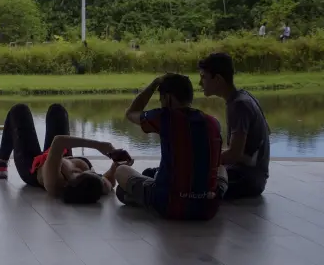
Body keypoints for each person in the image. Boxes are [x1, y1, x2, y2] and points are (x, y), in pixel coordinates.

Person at [114, 73, 227, 221]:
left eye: (161, 99)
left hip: (169, 204)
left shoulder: (164, 117)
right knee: (221, 168)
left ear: (167, 98)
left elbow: (131, 113)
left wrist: (154, 84)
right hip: (207, 208)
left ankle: (144, 198)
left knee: (122, 172)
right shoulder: (213, 122)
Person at [0, 103, 132, 204]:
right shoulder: (97, 186)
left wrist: (99, 145)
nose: (96, 173)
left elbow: (58, 142)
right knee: (57, 110)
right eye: (96, 174)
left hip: (32, 165)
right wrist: (118, 164)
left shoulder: (56, 182)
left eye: (93, 174)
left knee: (19, 110)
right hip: (62, 155)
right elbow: (110, 180)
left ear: (77, 180)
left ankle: (1, 162)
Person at [199, 53, 270, 198]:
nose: (200, 83)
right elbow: (267, 132)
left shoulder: (239, 105)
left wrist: (202, 161)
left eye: (204, 77)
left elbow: (235, 154)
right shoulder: (244, 97)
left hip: (247, 180)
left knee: (187, 180)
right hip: (252, 175)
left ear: (217, 79)